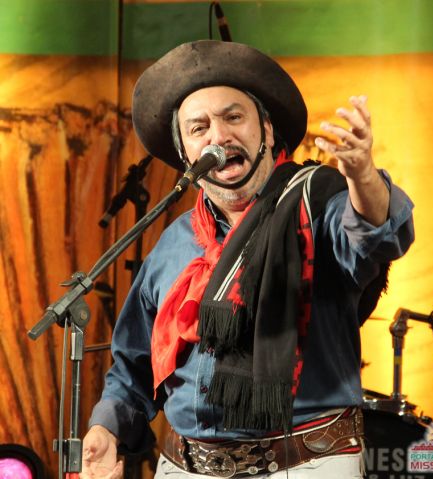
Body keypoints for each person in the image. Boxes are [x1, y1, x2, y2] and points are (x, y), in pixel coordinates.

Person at [80, 40, 414, 479]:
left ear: (268, 131)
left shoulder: (318, 205)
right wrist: (106, 428)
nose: (218, 136)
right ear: (186, 154)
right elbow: (134, 363)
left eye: (233, 117)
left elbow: (377, 235)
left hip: (305, 464)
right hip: (183, 467)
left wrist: (364, 177)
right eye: (198, 128)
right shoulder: (174, 242)